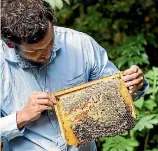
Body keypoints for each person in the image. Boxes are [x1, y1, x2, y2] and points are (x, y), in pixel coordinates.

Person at [0, 0, 149, 151]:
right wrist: (22, 116)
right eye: (35, 51)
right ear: (10, 44)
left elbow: (117, 93)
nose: (46, 53)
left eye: (50, 42)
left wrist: (133, 85)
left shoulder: (81, 44)